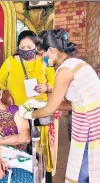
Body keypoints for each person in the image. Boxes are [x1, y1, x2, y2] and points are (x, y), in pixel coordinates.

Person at [19, 28, 100, 183]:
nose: (41, 58)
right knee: (88, 168)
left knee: (83, 173)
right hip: (90, 118)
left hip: (91, 125)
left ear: (51, 50)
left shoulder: (65, 70)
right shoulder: (76, 63)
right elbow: (72, 103)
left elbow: (51, 108)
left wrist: (29, 114)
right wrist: (40, 103)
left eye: (41, 54)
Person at [0, 30, 57, 181]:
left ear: (36, 46)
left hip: (39, 110)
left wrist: (47, 87)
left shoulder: (44, 61)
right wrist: (5, 93)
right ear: (18, 47)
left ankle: (42, 175)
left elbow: (55, 82)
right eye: (22, 48)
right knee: (20, 145)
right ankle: (20, 175)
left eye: (29, 47)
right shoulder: (10, 62)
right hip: (16, 113)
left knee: (39, 146)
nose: (26, 51)